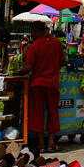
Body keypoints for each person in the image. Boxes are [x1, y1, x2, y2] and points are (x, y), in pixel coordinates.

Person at [25, 20, 65, 152]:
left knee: (38, 113)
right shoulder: (58, 43)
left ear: (37, 31)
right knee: (53, 112)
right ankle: (52, 142)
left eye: (32, 31)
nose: (31, 34)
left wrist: (19, 71)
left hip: (37, 84)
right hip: (52, 83)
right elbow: (62, 62)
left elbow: (29, 67)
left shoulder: (34, 46)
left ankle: (41, 143)